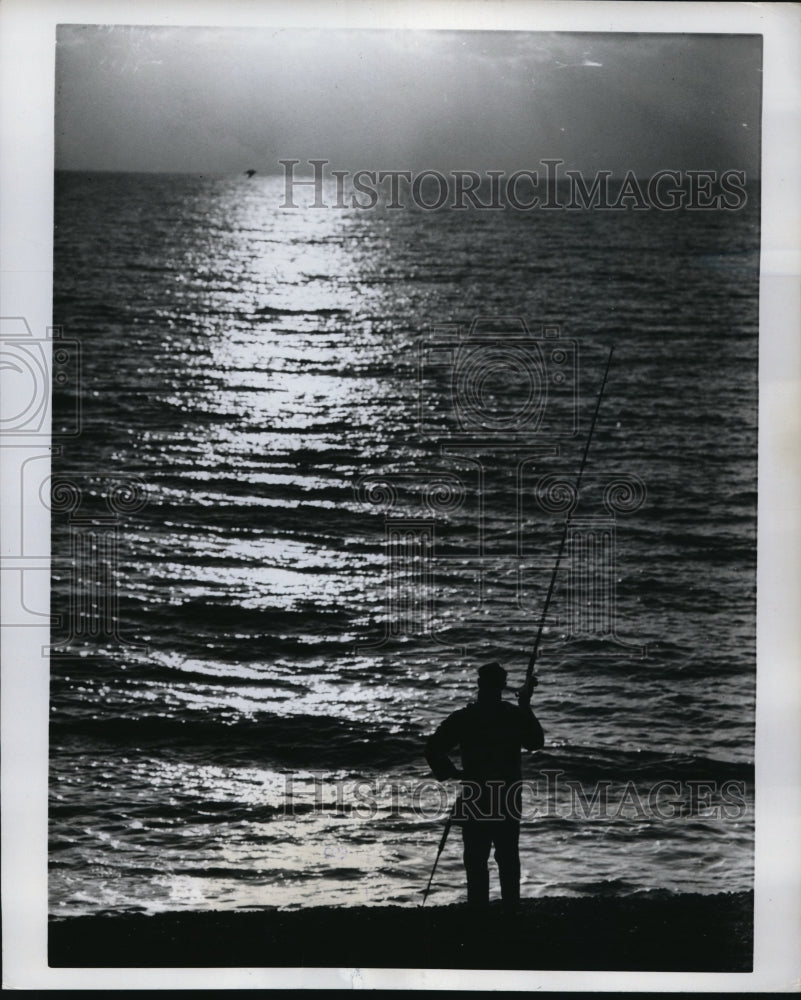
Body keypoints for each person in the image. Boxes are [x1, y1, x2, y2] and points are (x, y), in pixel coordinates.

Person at [424, 661, 544, 913]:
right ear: (502, 685)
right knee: (508, 856)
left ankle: (478, 912)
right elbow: (535, 742)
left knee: (476, 858)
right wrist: (525, 705)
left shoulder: (465, 717)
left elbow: (433, 748)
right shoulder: (511, 715)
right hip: (507, 795)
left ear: (480, 684)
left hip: (476, 794)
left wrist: (453, 773)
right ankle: (510, 911)